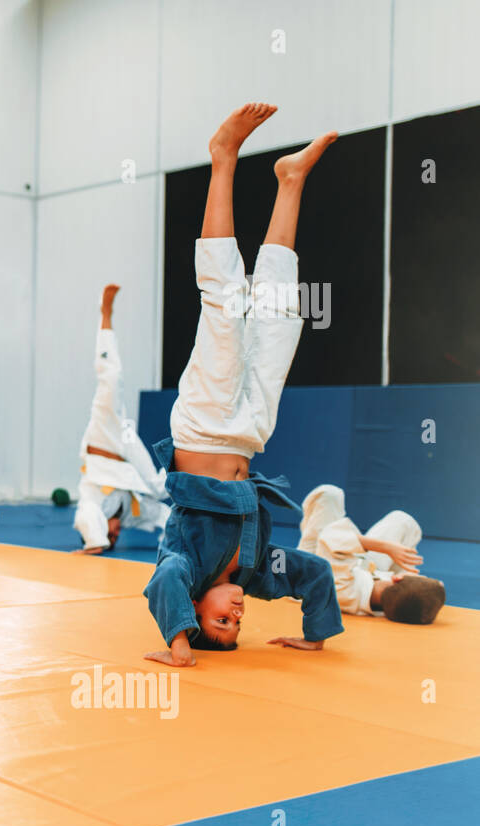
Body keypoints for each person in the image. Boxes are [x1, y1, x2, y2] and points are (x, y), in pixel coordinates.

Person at [142, 103, 344, 667]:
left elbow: (161, 588)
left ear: (194, 607)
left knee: (224, 305)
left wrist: (180, 647)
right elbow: (315, 572)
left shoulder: (180, 562)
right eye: (239, 625)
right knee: (281, 312)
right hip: (251, 431)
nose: (235, 615)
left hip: (205, 425)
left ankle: (223, 158)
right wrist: (315, 633)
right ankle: (290, 180)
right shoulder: (256, 573)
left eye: (218, 623)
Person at [72, 283, 170, 554]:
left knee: (111, 379)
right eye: (115, 539)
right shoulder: (129, 514)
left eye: (110, 535)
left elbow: (84, 517)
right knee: (160, 490)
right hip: (126, 449)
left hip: (103, 438)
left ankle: (105, 315)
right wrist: (170, 541)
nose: (117, 534)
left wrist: (95, 542)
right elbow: (161, 514)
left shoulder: (92, 504)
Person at [298, 484, 446, 623]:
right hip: (366, 571)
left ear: (396, 579)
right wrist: (430, 591)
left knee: (329, 494)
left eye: (416, 575)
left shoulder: (341, 589)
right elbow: (417, 594)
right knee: (403, 521)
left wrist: (385, 547)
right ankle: (412, 588)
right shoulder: (390, 603)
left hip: (311, 567)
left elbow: (329, 537)